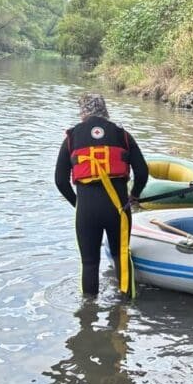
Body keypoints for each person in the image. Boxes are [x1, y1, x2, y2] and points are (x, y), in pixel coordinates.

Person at [55, 92, 148, 298]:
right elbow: (142, 172)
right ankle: (125, 307)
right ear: (105, 110)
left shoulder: (71, 138)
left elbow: (60, 181)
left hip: (87, 210)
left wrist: (78, 204)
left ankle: (88, 311)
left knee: (89, 263)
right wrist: (134, 195)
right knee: (121, 256)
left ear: (83, 112)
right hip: (118, 208)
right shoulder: (123, 135)